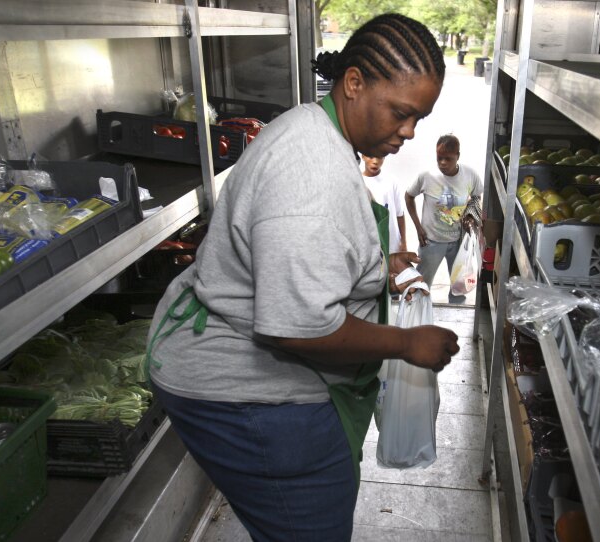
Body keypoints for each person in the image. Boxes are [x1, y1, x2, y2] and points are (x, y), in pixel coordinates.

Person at [144, 14, 457, 542]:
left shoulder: (318, 130)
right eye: (402, 114)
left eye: (419, 119)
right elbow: (298, 328)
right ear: (354, 83)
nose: (408, 133)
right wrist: (406, 343)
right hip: (246, 396)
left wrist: (378, 270)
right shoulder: (311, 176)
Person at [405, 134, 484, 304]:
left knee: (459, 288)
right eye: (439, 158)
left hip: (457, 242)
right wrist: (418, 227)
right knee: (421, 287)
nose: (442, 163)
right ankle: (418, 320)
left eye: (448, 159)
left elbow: (477, 197)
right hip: (431, 242)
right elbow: (409, 196)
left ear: (458, 156)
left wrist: (470, 216)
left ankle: (456, 313)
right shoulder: (426, 177)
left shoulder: (470, 175)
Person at [361, 154, 406, 253]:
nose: (375, 161)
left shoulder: (392, 181)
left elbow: (400, 214)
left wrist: (404, 243)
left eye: (379, 157)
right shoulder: (359, 183)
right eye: (370, 156)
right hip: (369, 246)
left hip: (392, 244)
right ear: (363, 156)